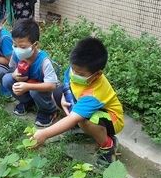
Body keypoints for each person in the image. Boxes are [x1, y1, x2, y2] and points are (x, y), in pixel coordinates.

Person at [30, 37, 124, 167]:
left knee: (84, 120)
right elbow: (67, 83)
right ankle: (79, 128)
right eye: (73, 69)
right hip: (84, 104)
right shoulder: (76, 69)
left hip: (112, 119)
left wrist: (45, 134)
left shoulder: (93, 94)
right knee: (57, 94)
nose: (73, 73)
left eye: (79, 72)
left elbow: (74, 117)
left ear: (97, 74)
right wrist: (63, 96)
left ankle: (108, 147)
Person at [2, 19, 58, 127]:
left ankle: (49, 110)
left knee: (34, 91)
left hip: (42, 91)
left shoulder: (43, 61)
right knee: (7, 79)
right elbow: (11, 69)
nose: (18, 49)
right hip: (28, 86)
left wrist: (28, 86)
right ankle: (27, 102)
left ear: (35, 44)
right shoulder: (16, 54)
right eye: (15, 45)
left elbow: (51, 85)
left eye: (22, 47)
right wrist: (14, 75)